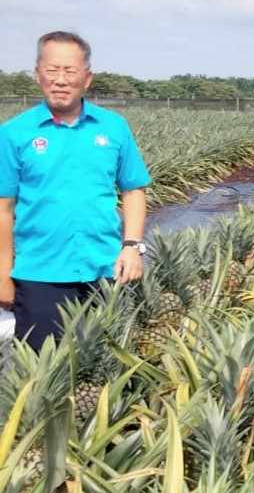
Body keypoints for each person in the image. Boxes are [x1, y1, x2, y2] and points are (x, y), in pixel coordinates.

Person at [0, 31, 150, 351]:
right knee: (42, 375)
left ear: (87, 77)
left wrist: (132, 246)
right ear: (38, 74)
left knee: (105, 373)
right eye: (52, 70)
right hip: (40, 274)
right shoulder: (14, 133)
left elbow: (134, 190)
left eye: (70, 71)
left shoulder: (113, 127)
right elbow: (3, 208)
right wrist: (2, 274)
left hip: (106, 270)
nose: (61, 79)